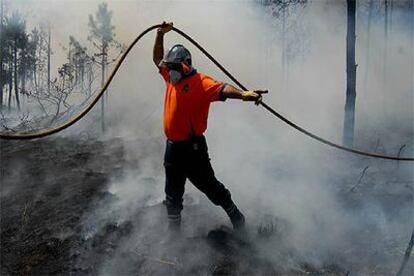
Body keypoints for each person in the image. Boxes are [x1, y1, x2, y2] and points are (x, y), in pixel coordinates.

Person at [153, 22, 267, 232]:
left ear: (186, 64)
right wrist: (160, 34)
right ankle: (173, 235)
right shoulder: (170, 78)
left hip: (193, 148)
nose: (170, 71)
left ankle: (235, 215)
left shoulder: (201, 82)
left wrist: (243, 94)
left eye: (174, 67)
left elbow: (223, 89)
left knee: (209, 186)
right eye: (169, 67)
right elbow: (157, 58)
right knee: (172, 193)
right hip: (173, 147)